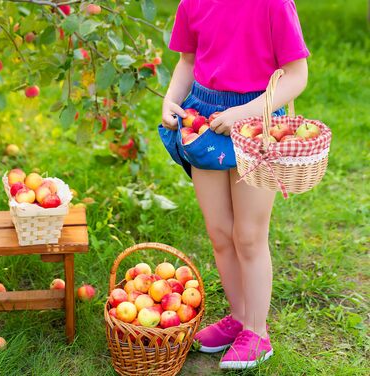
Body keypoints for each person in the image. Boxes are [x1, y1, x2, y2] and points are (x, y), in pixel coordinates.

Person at [160, 0, 309, 369]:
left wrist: (244, 113)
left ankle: (257, 333)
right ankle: (240, 318)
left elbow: (296, 74)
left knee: (249, 235)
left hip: (257, 124)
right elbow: (187, 62)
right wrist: (170, 99)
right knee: (220, 232)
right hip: (203, 120)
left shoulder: (273, 5)